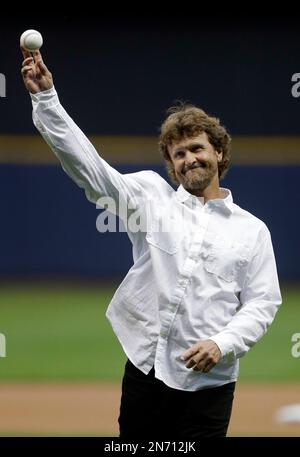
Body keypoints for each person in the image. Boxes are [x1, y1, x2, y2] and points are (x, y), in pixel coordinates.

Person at [21, 48, 282, 438]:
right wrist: (46, 99)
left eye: (197, 148)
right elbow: (91, 171)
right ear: (171, 164)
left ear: (219, 152)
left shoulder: (253, 231)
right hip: (147, 371)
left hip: (210, 385)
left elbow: (263, 303)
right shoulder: (151, 199)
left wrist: (222, 343)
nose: (189, 159)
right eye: (179, 154)